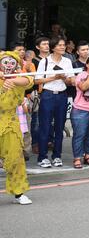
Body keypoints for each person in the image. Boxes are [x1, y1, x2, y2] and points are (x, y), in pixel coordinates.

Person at [35, 37, 75, 168]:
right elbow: (37, 80)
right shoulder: (45, 61)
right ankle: (42, 157)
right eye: (60, 45)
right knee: (45, 127)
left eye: (64, 45)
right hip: (47, 95)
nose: (63, 47)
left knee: (59, 127)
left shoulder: (67, 61)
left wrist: (65, 79)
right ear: (53, 47)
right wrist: (54, 77)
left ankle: (57, 156)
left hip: (62, 96)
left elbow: (71, 81)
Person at [0, 50, 34, 204]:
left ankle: (19, 193)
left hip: (10, 123)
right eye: (5, 62)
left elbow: (29, 80)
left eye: (11, 62)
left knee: (15, 158)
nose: (8, 65)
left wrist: (13, 80)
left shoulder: (18, 79)